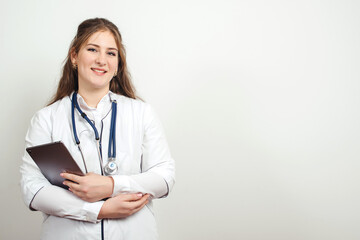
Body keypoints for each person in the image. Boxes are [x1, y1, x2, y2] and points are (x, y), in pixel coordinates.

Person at [20, 18, 175, 240]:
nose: (102, 60)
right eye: (93, 49)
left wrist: (111, 185)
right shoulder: (46, 119)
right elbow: (33, 189)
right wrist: (99, 210)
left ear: (118, 64)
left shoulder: (141, 113)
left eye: (111, 53)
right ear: (74, 56)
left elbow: (164, 177)